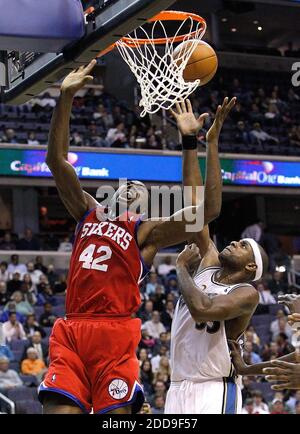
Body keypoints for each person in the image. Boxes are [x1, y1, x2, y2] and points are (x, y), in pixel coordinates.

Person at [38, 61, 225, 415]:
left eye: (137, 190)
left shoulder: (146, 233)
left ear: (143, 205)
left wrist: (192, 142)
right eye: (125, 187)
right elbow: (56, 161)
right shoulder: (86, 211)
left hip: (116, 333)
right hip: (73, 328)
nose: (129, 189)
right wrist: (65, 99)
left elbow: (207, 210)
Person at [164, 102, 269, 413]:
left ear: (251, 267)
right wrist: (197, 143)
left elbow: (202, 309)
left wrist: (182, 268)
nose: (236, 241)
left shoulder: (246, 293)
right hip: (178, 385)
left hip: (214, 389)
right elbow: (197, 205)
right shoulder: (209, 263)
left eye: (244, 245)